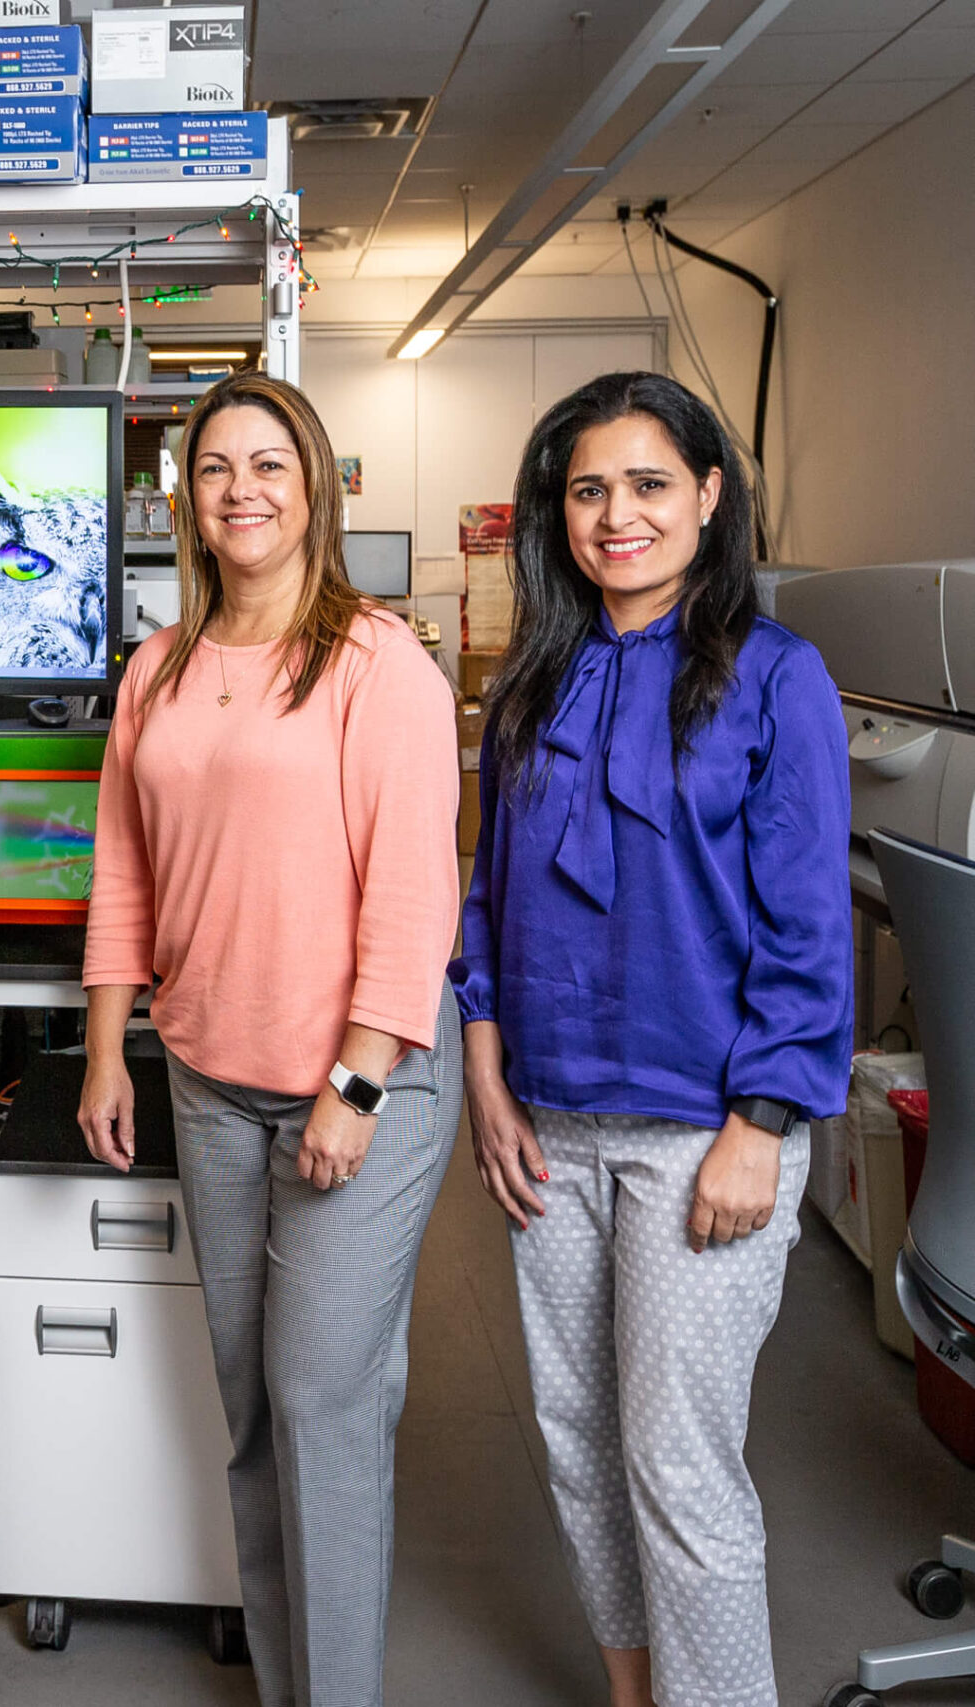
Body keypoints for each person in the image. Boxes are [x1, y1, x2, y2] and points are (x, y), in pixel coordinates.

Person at [452, 371, 850, 1707]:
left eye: (648, 484)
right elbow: (489, 897)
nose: (617, 515)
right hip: (550, 1127)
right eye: (588, 491)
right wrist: (488, 1077)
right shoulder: (533, 681)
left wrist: (763, 1123)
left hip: (703, 1131)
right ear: (555, 513)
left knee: (679, 1465)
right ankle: (636, 1695)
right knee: (578, 1441)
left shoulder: (777, 676)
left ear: (710, 494)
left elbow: (809, 924)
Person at [76, 370, 463, 1706]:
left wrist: (357, 1082)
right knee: (250, 1407)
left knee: (321, 1403)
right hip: (207, 1075)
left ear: (317, 491)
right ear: (184, 496)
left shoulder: (377, 663)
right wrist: (109, 1050)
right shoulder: (158, 671)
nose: (239, 490)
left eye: (268, 465)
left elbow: (415, 893)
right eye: (213, 467)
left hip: (358, 1083)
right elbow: (124, 871)